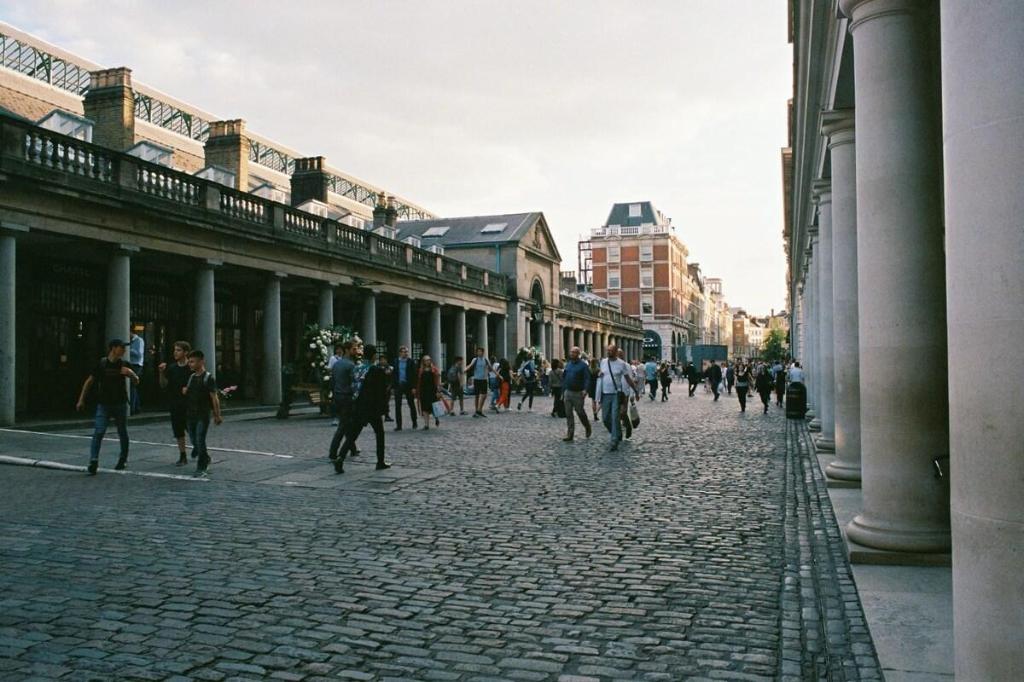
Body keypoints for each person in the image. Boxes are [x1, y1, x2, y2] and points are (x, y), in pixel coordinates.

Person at [76, 339, 138, 475]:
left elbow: (136, 381)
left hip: (120, 403)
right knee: (99, 431)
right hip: (103, 403)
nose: (124, 350)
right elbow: (89, 381)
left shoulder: (124, 364)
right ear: (113, 348)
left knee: (122, 431)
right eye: (121, 347)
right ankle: (93, 460)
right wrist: (81, 399)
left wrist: (131, 374)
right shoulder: (102, 364)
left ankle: (123, 459)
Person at [333, 344, 391, 473]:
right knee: (379, 434)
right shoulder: (376, 370)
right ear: (374, 355)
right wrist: (384, 409)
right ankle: (380, 461)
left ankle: (340, 457)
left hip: (359, 406)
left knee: (353, 435)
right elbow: (381, 392)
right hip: (373, 408)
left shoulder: (358, 368)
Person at [183, 349, 222, 477]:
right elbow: (188, 392)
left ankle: (202, 466)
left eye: (192, 362)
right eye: (189, 362)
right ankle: (205, 456)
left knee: (200, 439)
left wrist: (217, 414)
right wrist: (185, 391)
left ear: (201, 361)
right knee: (194, 439)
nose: (190, 364)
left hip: (203, 414)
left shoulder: (208, 378)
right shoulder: (191, 377)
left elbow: (214, 397)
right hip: (190, 413)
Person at [595, 344, 637, 451]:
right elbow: (601, 374)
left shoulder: (622, 364)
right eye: (607, 350)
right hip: (605, 393)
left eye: (610, 350)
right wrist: (599, 374)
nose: (608, 352)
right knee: (605, 418)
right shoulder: (603, 362)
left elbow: (628, 379)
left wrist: (635, 391)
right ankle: (617, 433)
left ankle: (614, 441)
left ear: (615, 352)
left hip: (616, 394)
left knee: (615, 417)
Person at [158, 340, 192, 466]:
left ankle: (200, 450)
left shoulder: (191, 367)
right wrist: (161, 372)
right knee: (178, 431)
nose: (175, 352)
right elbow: (163, 385)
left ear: (185, 352)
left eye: (178, 350)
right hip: (175, 403)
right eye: (175, 350)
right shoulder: (172, 368)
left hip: (189, 404)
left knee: (192, 430)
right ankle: (183, 455)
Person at [327, 341, 356, 462]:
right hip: (346, 397)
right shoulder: (350, 365)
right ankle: (333, 452)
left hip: (337, 396)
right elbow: (353, 383)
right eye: (354, 349)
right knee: (343, 425)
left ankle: (352, 447)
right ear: (348, 350)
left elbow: (332, 381)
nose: (356, 351)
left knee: (347, 423)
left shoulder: (337, 364)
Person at [561, 347, 592, 441]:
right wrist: (563, 391)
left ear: (578, 354)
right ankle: (570, 434)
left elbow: (587, 378)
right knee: (568, 413)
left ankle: (587, 426)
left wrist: (585, 390)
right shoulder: (568, 364)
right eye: (571, 352)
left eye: (574, 352)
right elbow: (564, 377)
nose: (572, 354)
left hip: (578, 392)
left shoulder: (583, 365)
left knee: (580, 412)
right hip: (568, 391)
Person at [392, 345, 417, 431]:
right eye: (403, 352)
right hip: (398, 385)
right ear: (400, 353)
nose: (405, 353)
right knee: (397, 406)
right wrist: (393, 385)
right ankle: (399, 425)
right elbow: (393, 374)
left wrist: (414, 387)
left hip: (408, 385)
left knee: (411, 404)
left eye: (406, 352)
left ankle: (414, 422)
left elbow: (414, 375)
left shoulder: (411, 362)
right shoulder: (395, 361)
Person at [415, 355, 442, 429]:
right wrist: (417, 391)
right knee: (424, 408)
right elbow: (418, 381)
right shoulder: (421, 370)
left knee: (433, 407)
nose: (427, 361)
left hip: (432, 391)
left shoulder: (434, 369)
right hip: (423, 391)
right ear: (423, 362)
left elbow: (437, 380)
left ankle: (436, 418)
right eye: (426, 360)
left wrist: (438, 390)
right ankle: (426, 424)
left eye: (429, 360)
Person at [465, 347, 491, 417]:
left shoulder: (485, 360)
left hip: (484, 379)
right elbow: (470, 366)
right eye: (478, 352)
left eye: (480, 351)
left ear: (483, 352)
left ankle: (480, 410)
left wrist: (498, 375)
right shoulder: (475, 359)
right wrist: (465, 369)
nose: (479, 353)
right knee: (477, 396)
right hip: (477, 379)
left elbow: (490, 368)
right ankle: (477, 411)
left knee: (484, 395)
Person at [327, 344, 345, 425]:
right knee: (335, 398)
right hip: (335, 380)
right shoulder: (333, 358)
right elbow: (329, 368)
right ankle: (336, 416)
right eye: (338, 349)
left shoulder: (345, 358)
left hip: (344, 380)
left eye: (341, 349)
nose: (339, 351)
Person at [128, 330, 145, 415]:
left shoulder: (139, 341)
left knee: (132, 385)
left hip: (136, 365)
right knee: (133, 386)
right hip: (130, 364)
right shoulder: (130, 341)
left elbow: (139, 354)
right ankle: (137, 407)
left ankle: (133, 408)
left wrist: (128, 349)